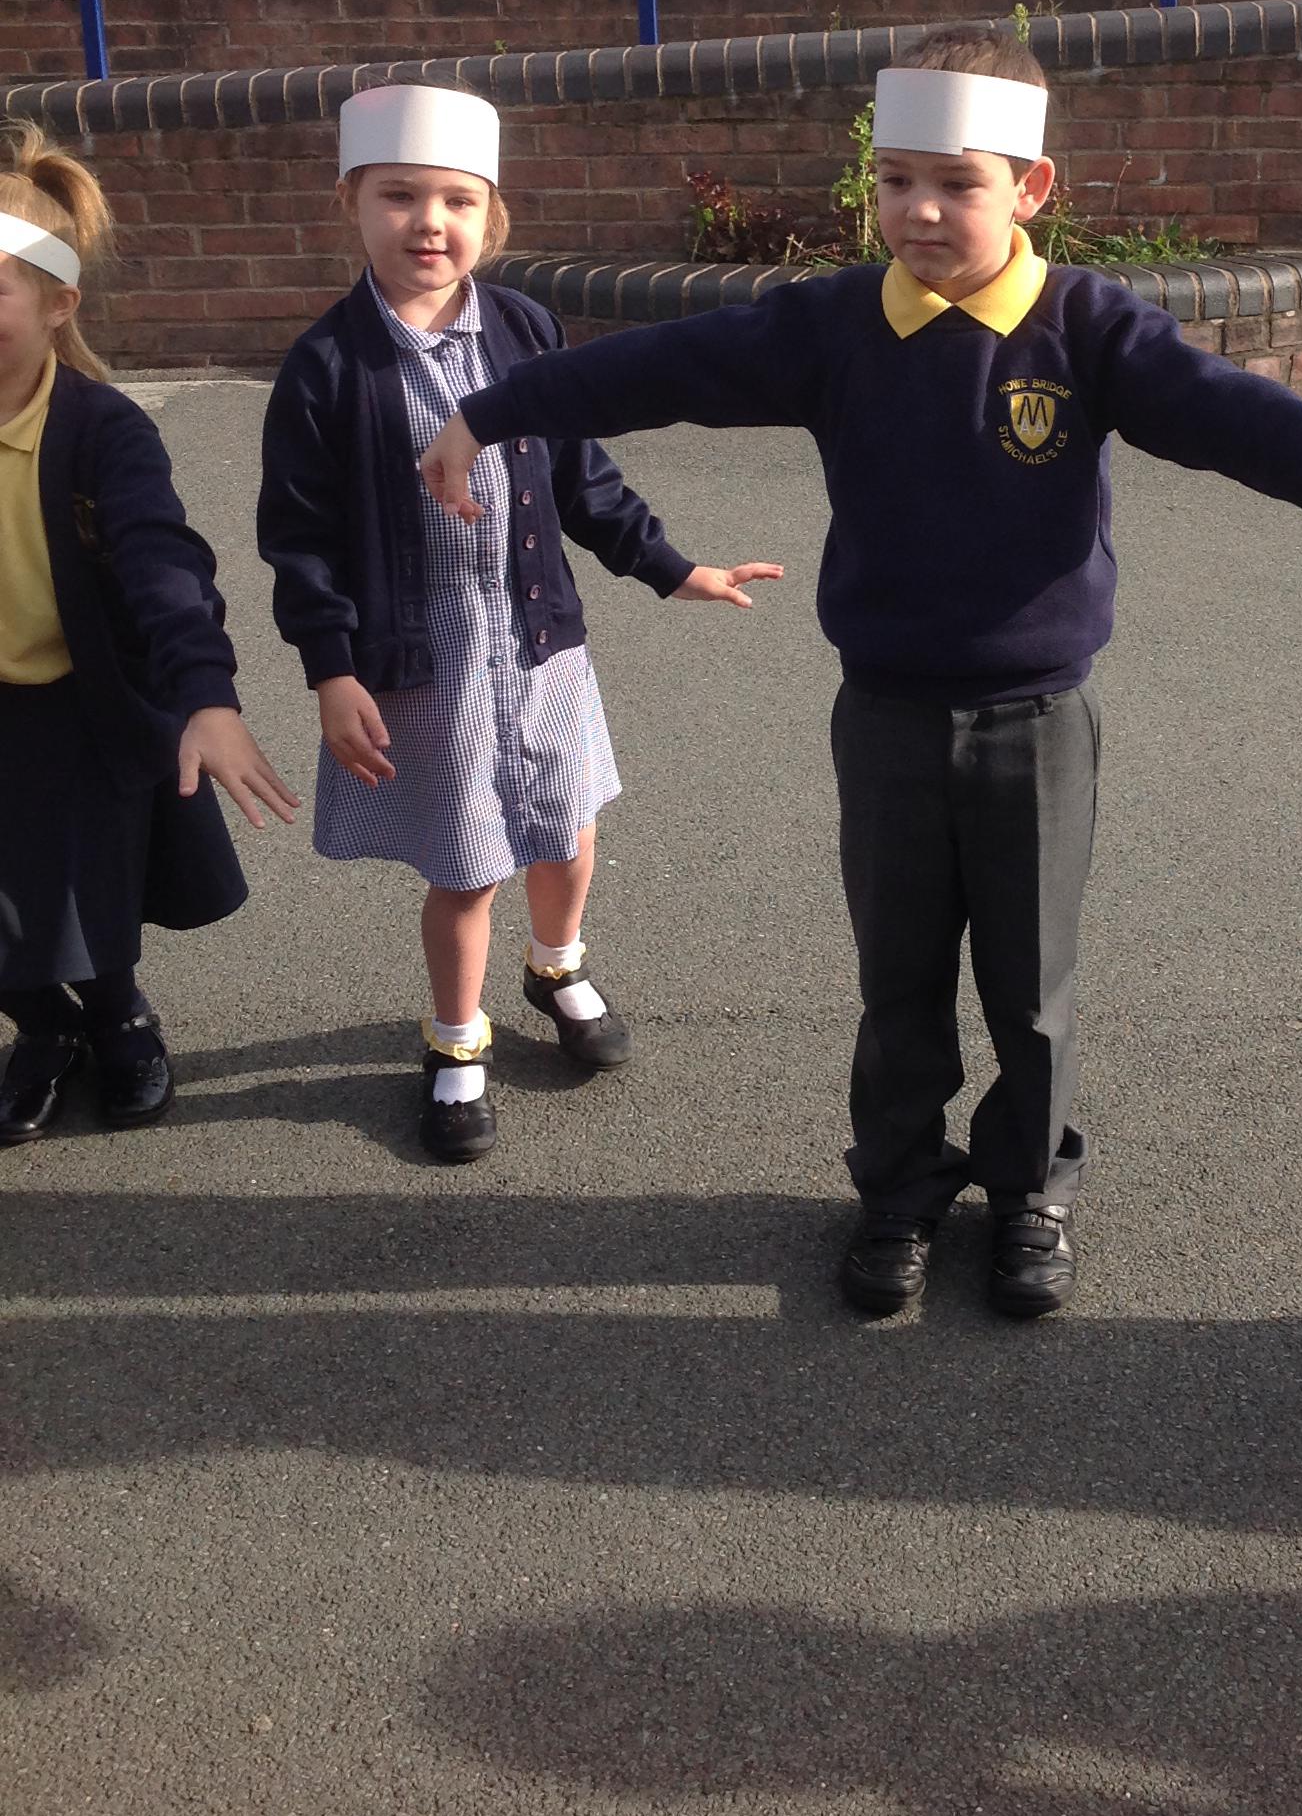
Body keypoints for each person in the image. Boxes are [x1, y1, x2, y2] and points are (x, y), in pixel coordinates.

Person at [418, 28, 1302, 1312]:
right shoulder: (833, 325)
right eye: (896, 179)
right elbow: (661, 368)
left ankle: (1030, 1187)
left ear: (1032, 188)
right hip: (887, 714)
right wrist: (488, 413)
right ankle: (899, 1189)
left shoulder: (1088, 328)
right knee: (900, 983)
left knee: (1030, 991)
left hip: (1039, 718)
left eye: (957, 183)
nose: (920, 210)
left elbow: (1244, 421)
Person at [257, 84, 781, 1163]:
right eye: (399, 196)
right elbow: (299, 537)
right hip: (426, 660)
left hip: (541, 647)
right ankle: (456, 1041)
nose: (429, 223)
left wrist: (672, 568)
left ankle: (556, 965)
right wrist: (330, 670)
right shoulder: (326, 366)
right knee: (466, 868)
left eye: (457, 200)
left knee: (569, 828)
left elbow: (584, 476)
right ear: (351, 201)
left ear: (491, 214)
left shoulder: (525, 328)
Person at [0, 126, 296, 1144]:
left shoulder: (101, 430)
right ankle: (44, 1028)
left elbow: (165, 565)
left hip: (79, 705)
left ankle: (117, 1015)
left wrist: (206, 695)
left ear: (58, 304)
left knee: (87, 887)